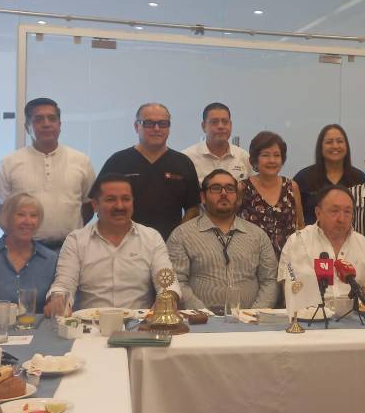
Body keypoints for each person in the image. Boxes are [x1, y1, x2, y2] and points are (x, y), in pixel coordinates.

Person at [45, 173, 181, 312]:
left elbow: (167, 282)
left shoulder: (151, 238)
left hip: (140, 322)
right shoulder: (76, 240)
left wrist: (168, 299)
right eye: (111, 199)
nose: (119, 206)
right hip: (90, 323)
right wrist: (58, 300)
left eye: (126, 199)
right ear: (95, 205)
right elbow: (64, 284)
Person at [167, 169, 278, 311]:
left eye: (230, 189)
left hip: (251, 320)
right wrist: (204, 315)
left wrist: (255, 315)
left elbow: (269, 281)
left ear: (237, 197)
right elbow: (177, 281)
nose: (224, 193)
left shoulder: (258, 235)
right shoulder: (182, 235)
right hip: (199, 321)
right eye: (216, 188)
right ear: (203, 197)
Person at [0, 97, 96, 250]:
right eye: (38, 119)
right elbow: (2, 209)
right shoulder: (10, 162)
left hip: (70, 248)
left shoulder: (81, 161)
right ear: (27, 127)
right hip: (25, 249)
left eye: (52, 118)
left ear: (59, 125)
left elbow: (90, 204)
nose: (46, 124)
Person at [98, 103, 200, 241]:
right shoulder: (117, 162)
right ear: (136, 126)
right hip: (123, 244)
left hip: (170, 246)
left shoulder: (183, 163)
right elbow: (99, 203)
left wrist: (177, 239)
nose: (156, 128)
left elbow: (193, 208)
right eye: (149, 123)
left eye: (163, 124)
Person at [279, 185, 365, 307]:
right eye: (334, 211)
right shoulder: (297, 242)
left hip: (355, 316)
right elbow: (291, 293)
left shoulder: (363, 245)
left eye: (347, 212)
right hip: (311, 315)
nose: (341, 219)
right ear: (318, 213)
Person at [238, 131, 304, 259]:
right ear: (255, 159)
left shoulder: (292, 187)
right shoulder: (242, 188)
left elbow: (300, 225)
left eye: (277, 155)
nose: (272, 160)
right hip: (250, 262)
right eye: (265, 155)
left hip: (287, 262)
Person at [293, 124, 365, 225]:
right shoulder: (304, 177)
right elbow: (293, 217)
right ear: (321, 147)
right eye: (329, 142)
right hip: (311, 234)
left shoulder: (359, 178)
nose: (335, 146)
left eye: (340, 141)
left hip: (349, 234)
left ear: (346, 146)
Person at [182, 102, 253, 183]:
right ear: (203, 126)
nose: (220, 126)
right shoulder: (187, 158)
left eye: (225, 122)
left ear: (230, 125)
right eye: (214, 122)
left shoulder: (243, 157)